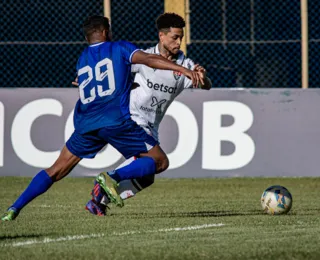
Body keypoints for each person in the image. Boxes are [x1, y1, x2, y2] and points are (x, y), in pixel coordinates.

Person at [1, 15, 202, 221]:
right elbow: (150, 59)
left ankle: (14, 208)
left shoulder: (83, 58)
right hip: (116, 121)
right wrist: (182, 69)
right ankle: (111, 178)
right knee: (159, 162)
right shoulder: (119, 48)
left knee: (56, 170)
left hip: (86, 123)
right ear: (106, 32)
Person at [84, 13, 212, 216]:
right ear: (161, 36)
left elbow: (205, 86)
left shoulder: (185, 65)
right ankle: (110, 177)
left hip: (152, 126)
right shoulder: (144, 57)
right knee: (157, 161)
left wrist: (203, 77)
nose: (179, 42)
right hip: (132, 119)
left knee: (148, 175)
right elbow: (113, 66)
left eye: (181, 37)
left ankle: (99, 200)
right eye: (175, 37)